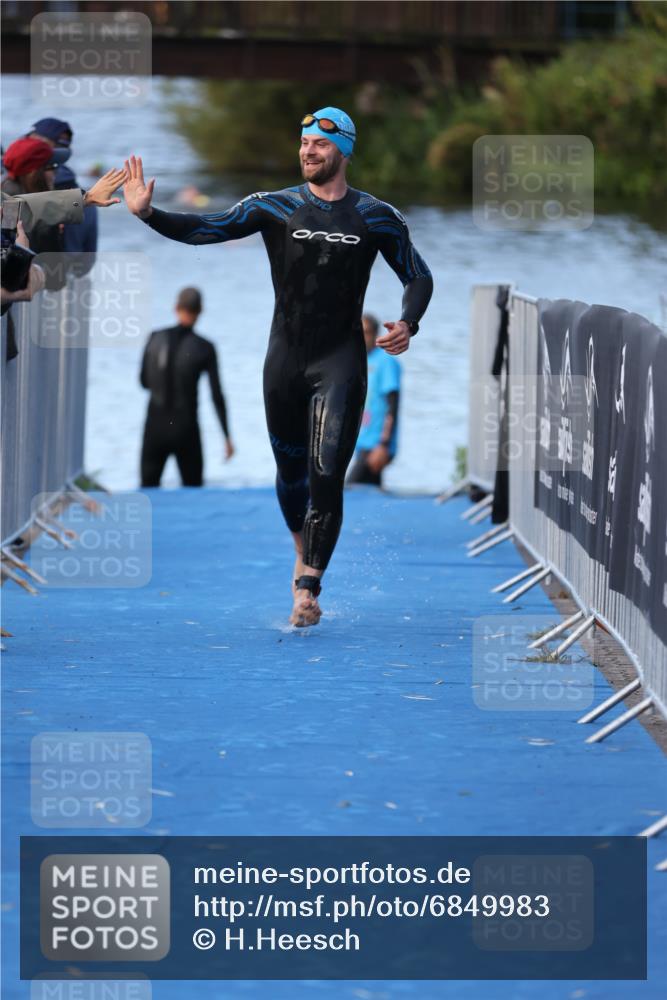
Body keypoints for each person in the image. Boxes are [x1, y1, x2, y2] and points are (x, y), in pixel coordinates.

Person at [122, 105, 433, 627]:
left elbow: (418, 275)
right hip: (284, 365)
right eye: (305, 143)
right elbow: (206, 227)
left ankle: (308, 587)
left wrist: (409, 322)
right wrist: (149, 215)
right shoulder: (274, 206)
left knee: (326, 475)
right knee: (291, 477)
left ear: (344, 151)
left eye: (321, 144)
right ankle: (302, 550)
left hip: (340, 364)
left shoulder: (377, 216)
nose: (309, 151)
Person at [139, 287, 235, 488]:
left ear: (176, 307)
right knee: (193, 492)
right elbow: (216, 395)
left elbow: (143, 382)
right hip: (186, 430)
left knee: (148, 492)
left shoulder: (154, 338)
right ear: (200, 311)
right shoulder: (205, 347)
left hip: (154, 428)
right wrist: (226, 437)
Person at [347, 313, 401, 488]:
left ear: (376, 334)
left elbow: (393, 405)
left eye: (366, 332)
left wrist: (383, 445)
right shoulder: (360, 360)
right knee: (370, 492)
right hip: (362, 443)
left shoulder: (385, 361)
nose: (362, 337)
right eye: (359, 332)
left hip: (376, 445)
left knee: (348, 490)